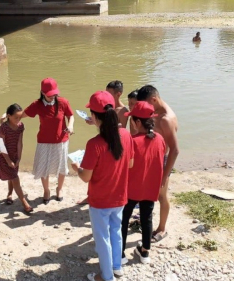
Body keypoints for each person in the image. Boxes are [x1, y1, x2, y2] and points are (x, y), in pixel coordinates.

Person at [71, 91, 134, 281]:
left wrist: (76, 167)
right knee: (116, 231)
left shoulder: (94, 144)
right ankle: (117, 266)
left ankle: (106, 276)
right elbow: (130, 164)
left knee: (102, 237)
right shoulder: (125, 134)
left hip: (100, 200)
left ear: (96, 117)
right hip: (120, 196)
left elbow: (85, 177)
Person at [121, 102, 166, 264]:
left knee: (124, 219)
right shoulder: (160, 139)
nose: (131, 122)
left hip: (131, 188)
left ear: (137, 122)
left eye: (132, 120)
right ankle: (145, 251)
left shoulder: (131, 141)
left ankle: (120, 254)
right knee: (147, 218)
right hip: (150, 187)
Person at [136, 85, 179, 243]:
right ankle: (146, 219)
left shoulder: (166, 119)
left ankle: (162, 228)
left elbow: (174, 150)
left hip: (162, 160)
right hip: (152, 157)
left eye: (147, 105)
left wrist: (165, 175)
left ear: (153, 99)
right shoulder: (158, 108)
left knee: (161, 195)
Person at [21, 78, 74, 204]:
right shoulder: (37, 105)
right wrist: (9, 117)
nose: (53, 97)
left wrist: (71, 125)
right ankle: (46, 190)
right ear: (43, 93)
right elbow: (22, 115)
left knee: (62, 167)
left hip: (61, 140)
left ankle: (59, 189)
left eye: (55, 94)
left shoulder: (63, 102)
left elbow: (70, 115)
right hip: (44, 141)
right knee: (44, 167)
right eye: (50, 95)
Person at [76, 80, 129, 205]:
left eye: (109, 93)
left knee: (99, 172)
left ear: (118, 94)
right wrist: (94, 121)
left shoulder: (123, 111)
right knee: (96, 170)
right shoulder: (106, 109)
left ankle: (96, 196)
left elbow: (119, 132)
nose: (107, 95)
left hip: (112, 145)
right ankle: (90, 196)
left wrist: (77, 168)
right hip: (103, 141)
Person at [0, 104, 33, 214]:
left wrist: (19, 158)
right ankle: (24, 203)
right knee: (15, 178)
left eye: (20, 117)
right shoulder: (3, 127)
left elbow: (19, 142)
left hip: (14, 154)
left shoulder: (21, 126)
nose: (18, 120)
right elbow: (0, 145)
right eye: (16, 117)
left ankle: (9, 194)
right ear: (9, 116)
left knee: (12, 176)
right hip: (4, 155)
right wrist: (8, 160)